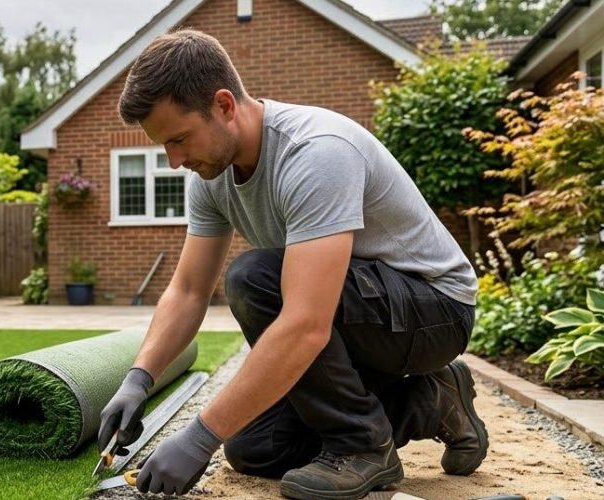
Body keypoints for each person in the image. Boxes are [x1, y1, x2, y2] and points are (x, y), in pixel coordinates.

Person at [96, 29, 488, 500]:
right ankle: (434, 402)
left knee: (254, 278)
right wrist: (138, 380)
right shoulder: (210, 176)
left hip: (434, 311)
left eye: (180, 139)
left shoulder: (316, 152)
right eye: (165, 146)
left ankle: (363, 447)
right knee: (255, 447)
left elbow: (305, 323)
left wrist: (198, 437)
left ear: (223, 105)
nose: (175, 161)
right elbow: (188, 291)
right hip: (363, 314)